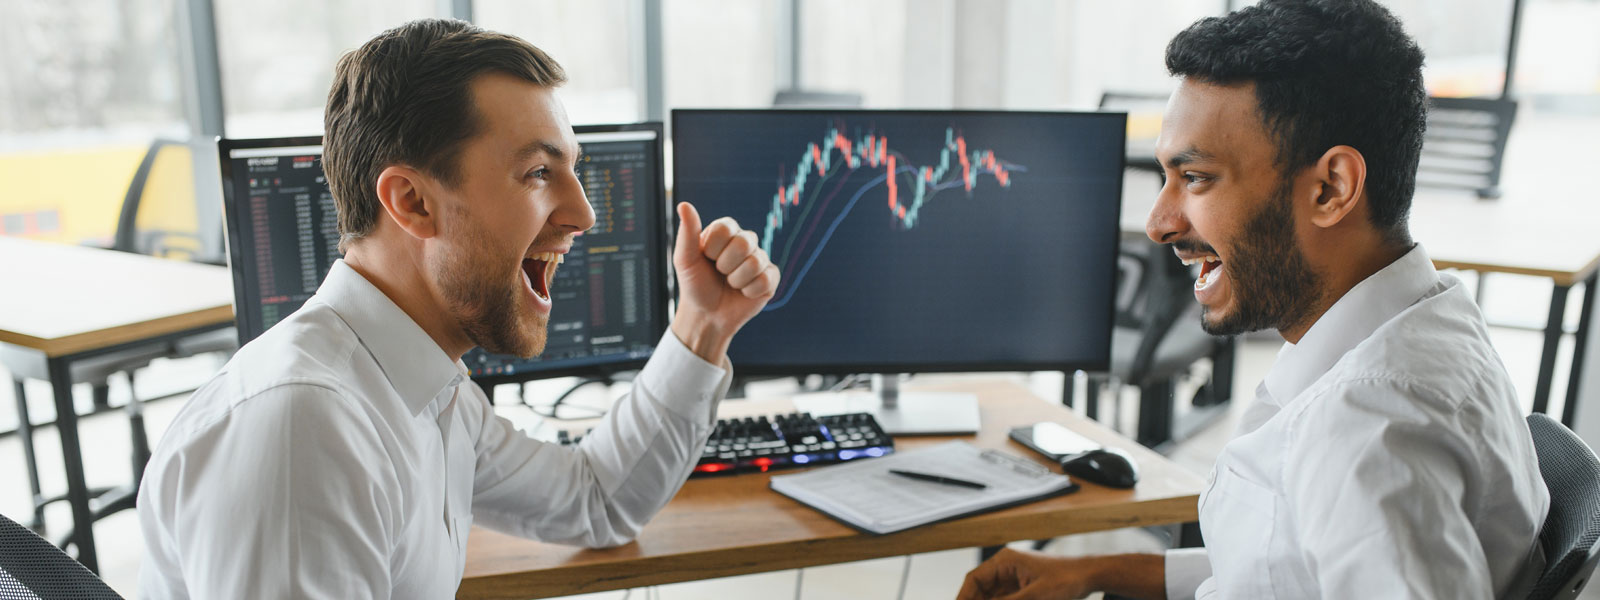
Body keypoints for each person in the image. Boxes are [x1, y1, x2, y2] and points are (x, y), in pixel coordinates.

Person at [137, 19, 779, 598]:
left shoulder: (427, 388)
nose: (584, 214)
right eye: (536, 172)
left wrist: (703, 324)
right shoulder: (304, 428)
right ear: (412, 202)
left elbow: (595, 501)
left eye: (572, 170)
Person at [959, 1, 1548, 598]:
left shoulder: (1370, 430)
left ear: (1330, 188)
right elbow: (1283, 571)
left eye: (1196, 178)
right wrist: (1097, 571)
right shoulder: (1431, 319)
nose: (1159, 223)